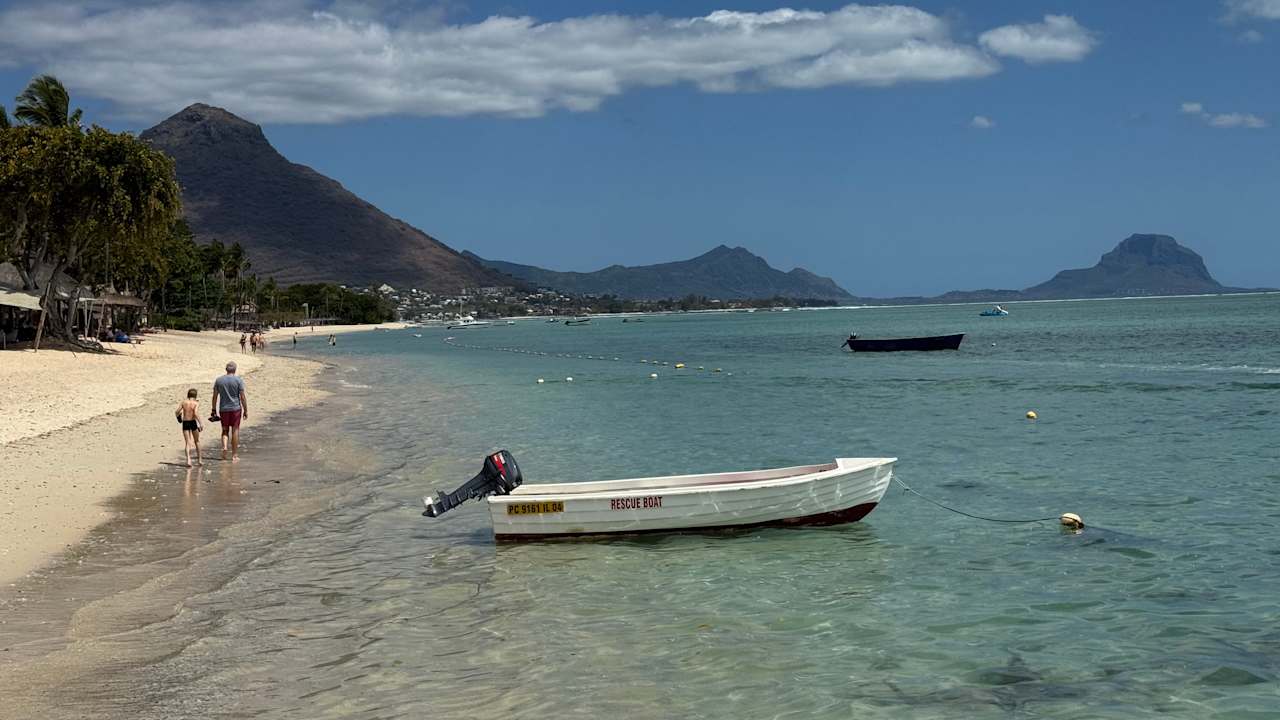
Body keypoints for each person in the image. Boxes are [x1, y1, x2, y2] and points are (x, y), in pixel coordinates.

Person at [212, 361, 248, 462]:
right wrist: (245, 410)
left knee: (224, 430)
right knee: (235, 430)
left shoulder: (219, 380)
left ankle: (224, 447)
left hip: (223, 409)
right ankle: (234, 455)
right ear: (235, 370)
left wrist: (213, 409)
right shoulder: (238, 380)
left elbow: (215, 396)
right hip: (235, 409)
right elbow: (242, 397)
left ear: (226, 369)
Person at [175, 388, 204, 467]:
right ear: (195, 395)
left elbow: (177, 411)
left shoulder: (184, 402)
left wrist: (179, 418)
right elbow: (195, 413)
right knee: (197, 441)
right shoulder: (196, 403)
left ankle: (188, 460)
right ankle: (200, 460)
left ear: (188, 395)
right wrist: (200, 423)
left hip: (185, 422)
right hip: (193, 422)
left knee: (188, 442)